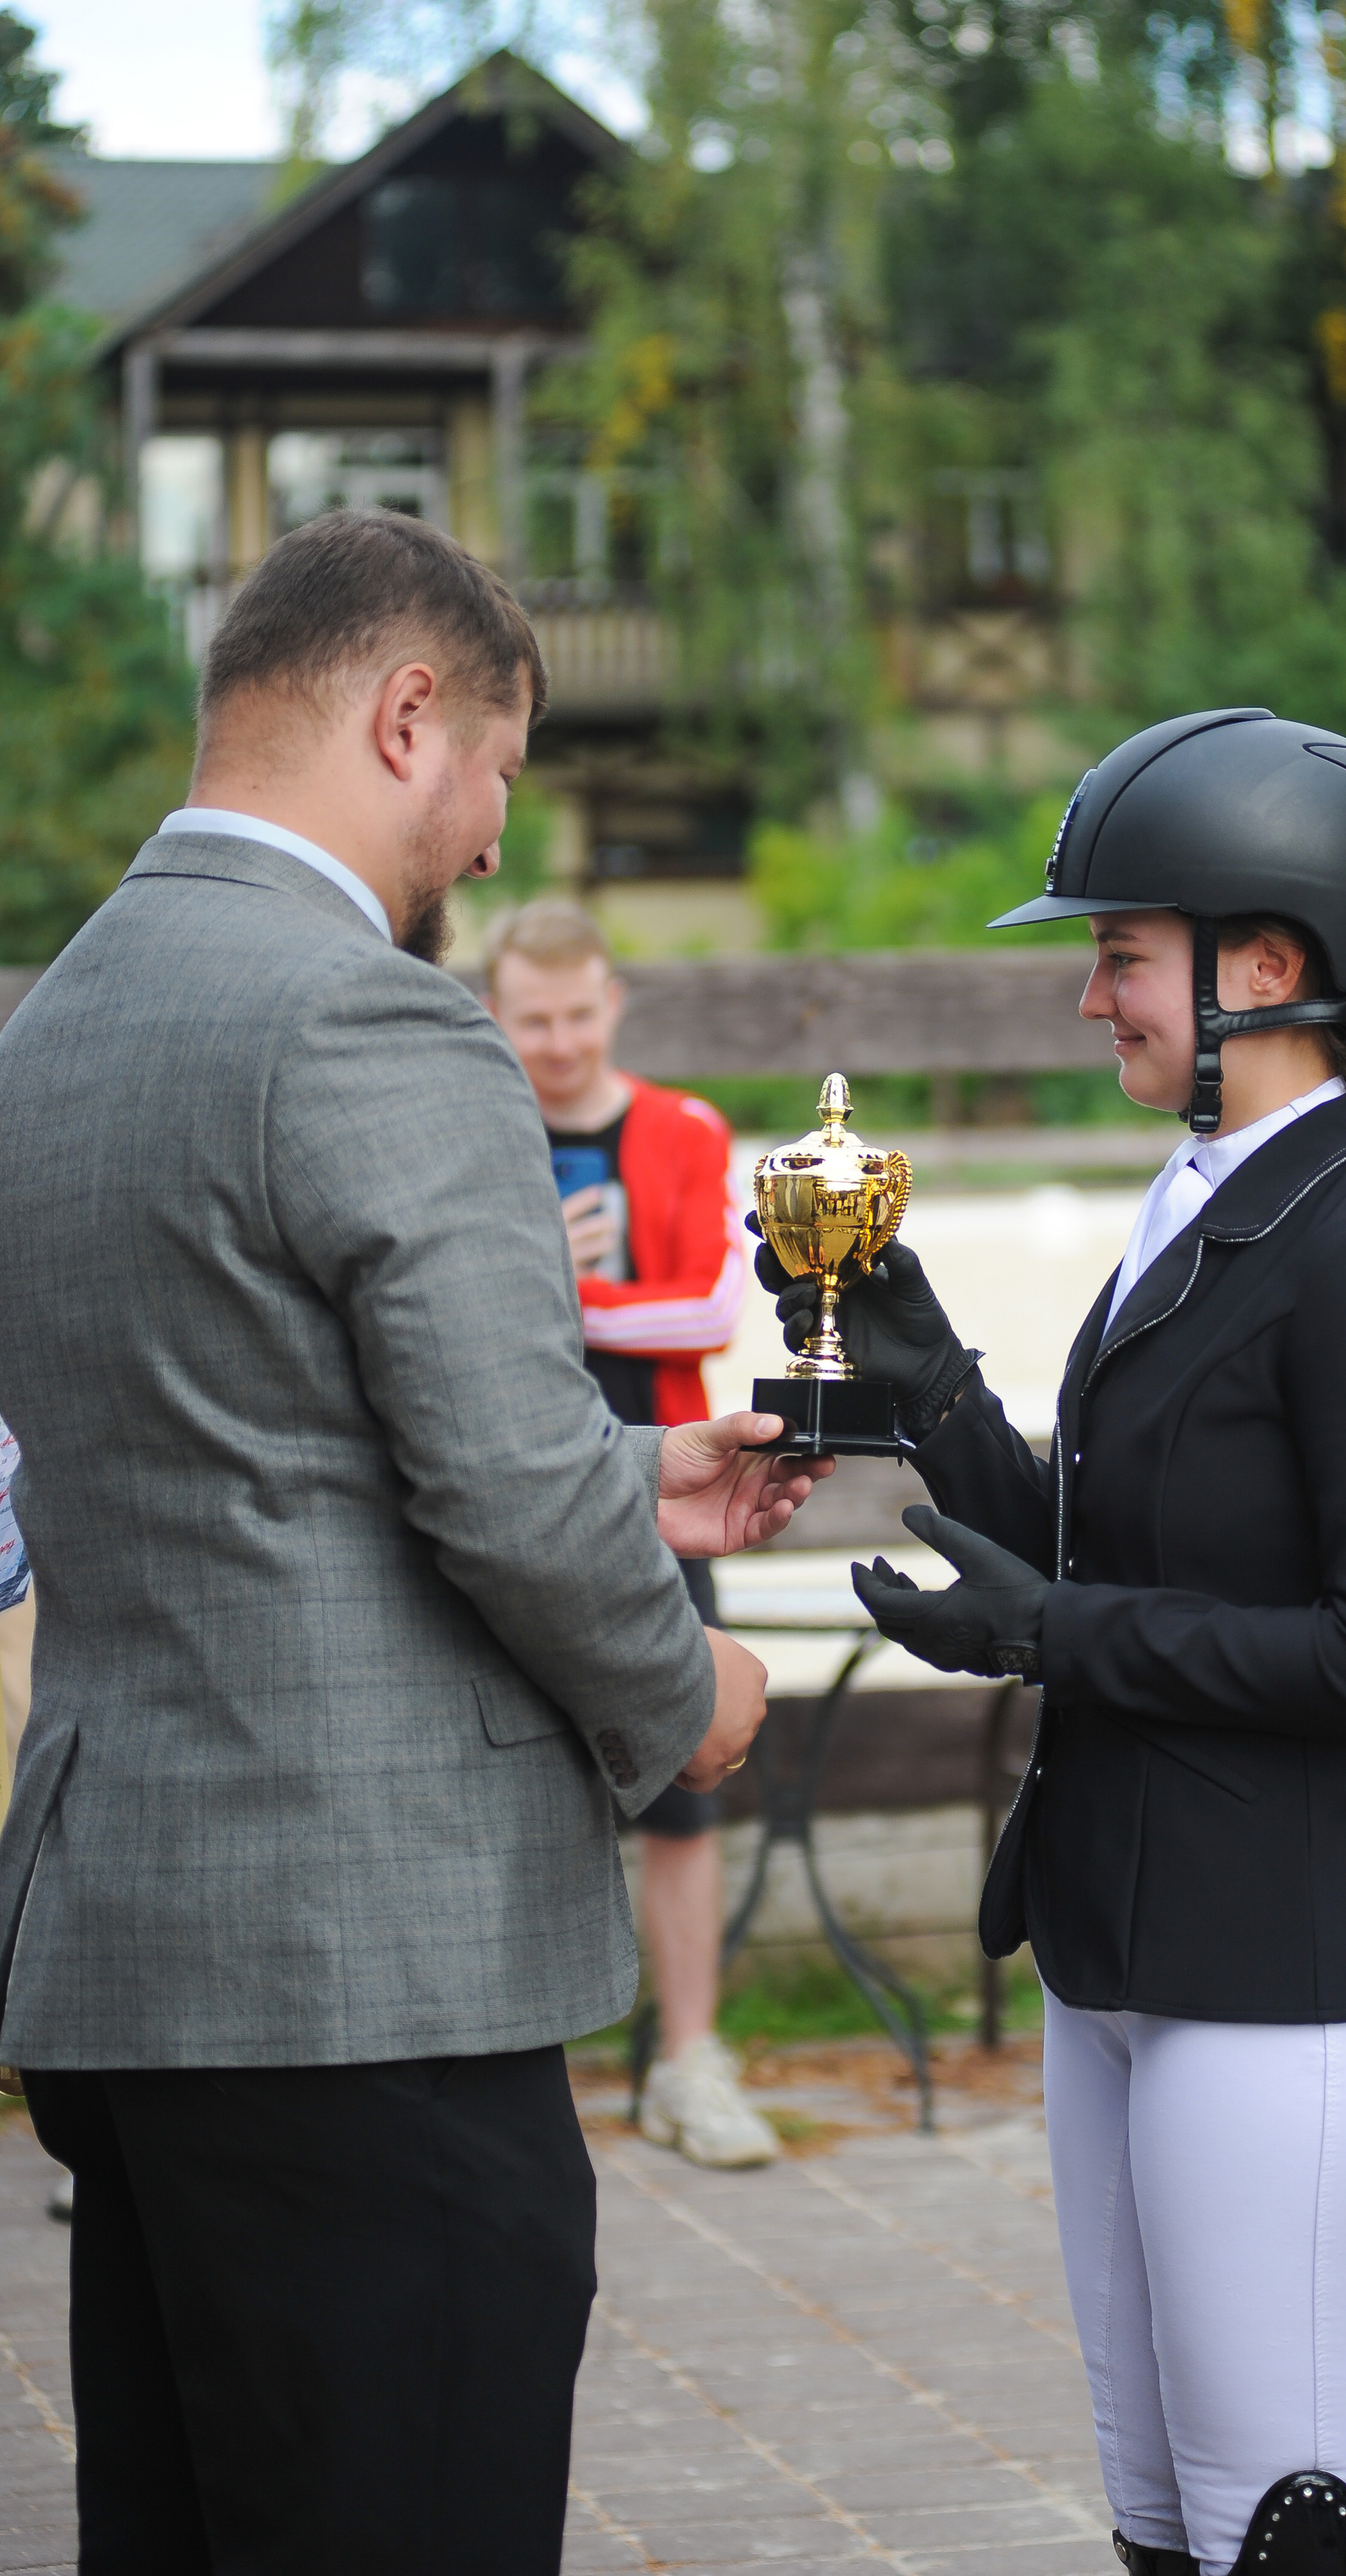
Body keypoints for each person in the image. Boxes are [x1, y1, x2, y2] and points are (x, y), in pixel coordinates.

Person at [0, 508, 828, 2576]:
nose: (486, 851)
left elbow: (245, 1441)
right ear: (407, 711)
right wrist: (687, 1686)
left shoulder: (48, 1032)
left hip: (133, 1959)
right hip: (369, 1975)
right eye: (498, 787)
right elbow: (503, 1494)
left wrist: (640, 1475)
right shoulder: (372, 1021)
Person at [757, 709, 1346, 2576]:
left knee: (1277, 2530)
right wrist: (930, 1389)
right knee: (1160, 2521)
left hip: (1290, 1972)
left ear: (1267, 965)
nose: (1093, 997)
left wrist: (1055, 1631)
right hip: (1123, 1948)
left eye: (1117, 954)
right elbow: (1105, 1546)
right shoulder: (1199, 1205)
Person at [484, 897, 778, 2168]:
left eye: (574, 1013)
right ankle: (506, 2076)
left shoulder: (682, 1128)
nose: (554, 1040)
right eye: (530, 1017)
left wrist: (552, 1287)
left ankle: (689, 2063)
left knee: (679, 1787)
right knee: (501, 1782)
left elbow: (709, 1310)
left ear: (613, 1004)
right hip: (500, 1493)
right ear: (498, 1016)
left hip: (665, 1493)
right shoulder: (471, 1122)